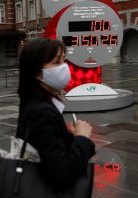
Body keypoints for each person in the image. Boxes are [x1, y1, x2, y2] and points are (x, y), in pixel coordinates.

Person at [15, 38, 96, 191]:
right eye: (57, 62)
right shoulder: (43, 112)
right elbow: (62, 173)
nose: (64, 67)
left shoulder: (34, 102)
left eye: (64, 60)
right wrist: (82, 138)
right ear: (38, 74)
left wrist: (68, 135)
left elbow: (48, 151)